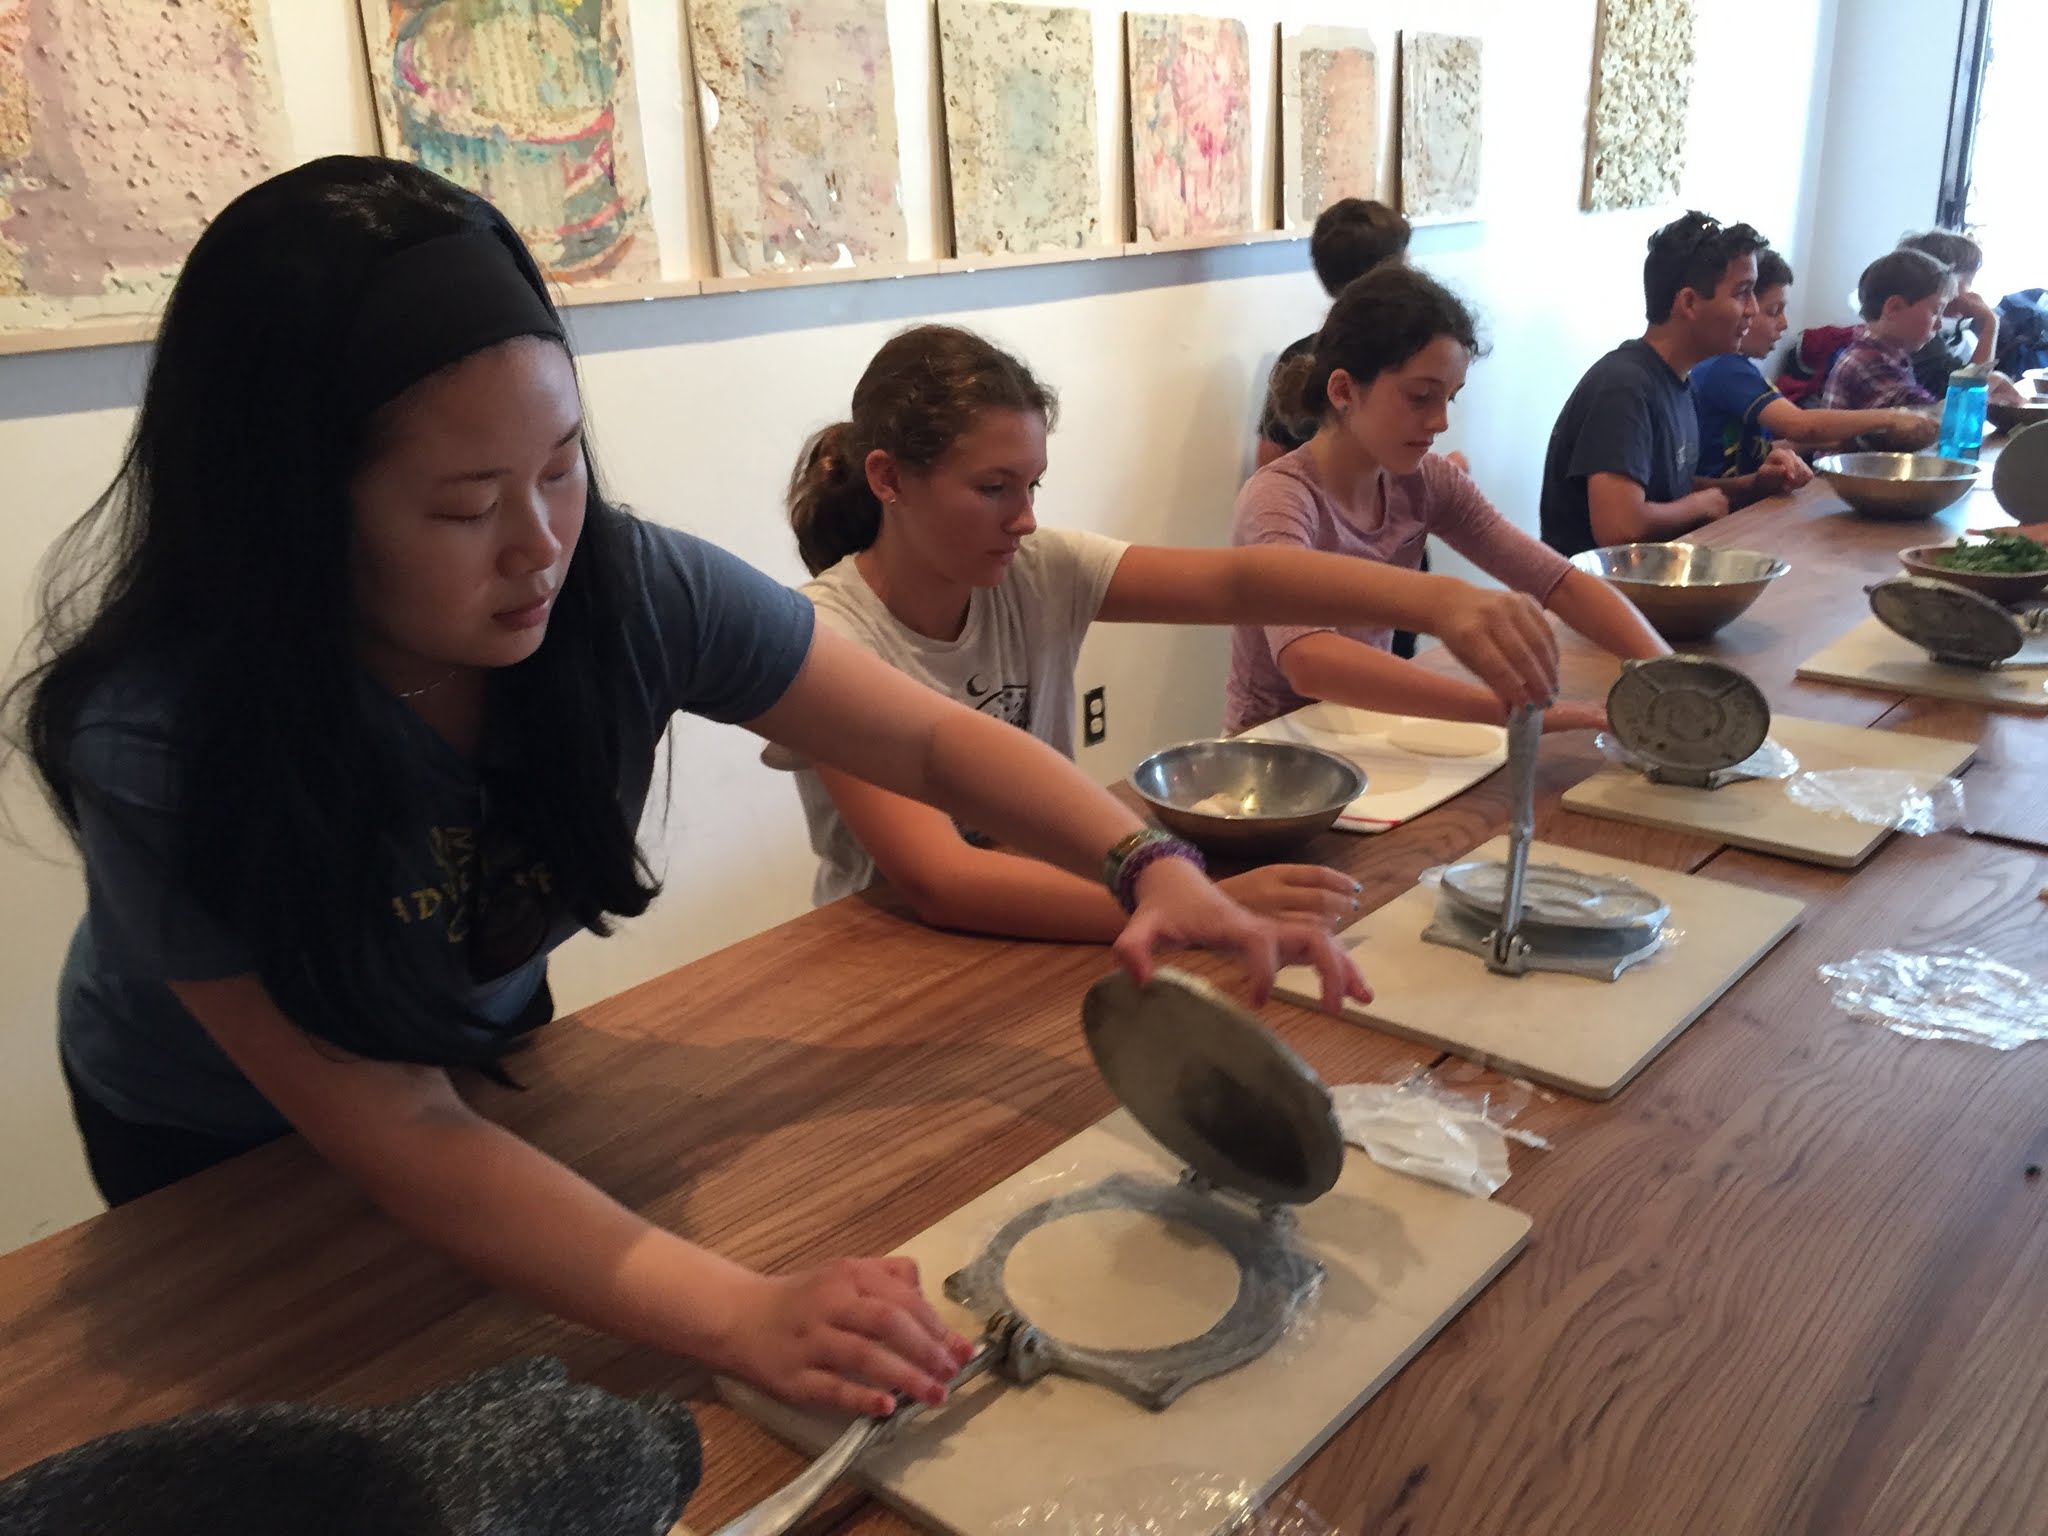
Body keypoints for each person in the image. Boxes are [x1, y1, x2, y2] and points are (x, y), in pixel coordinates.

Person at [0, 157, 1373, 1423]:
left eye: (560, 465)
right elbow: (395, 1125)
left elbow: (935, 743)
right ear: (289, 514)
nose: (542, 544)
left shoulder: (618, 582)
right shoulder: (166, 739)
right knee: (338, 1412)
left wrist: (1148, 867)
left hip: (463, 1049)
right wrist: (744, 1312)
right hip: (208, 1151)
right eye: (466, 506)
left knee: (516, 1365)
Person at [778, 324, 1561, 925]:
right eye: (992, 488)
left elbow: (1236, 581)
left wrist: (1435, 601)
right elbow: (941, 879)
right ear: (887, 478)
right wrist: (1195, 902)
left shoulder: (1038, 571)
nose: (1023, 519)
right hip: (893, 956)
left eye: (1032, 484)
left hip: (1056, 904)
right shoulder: (828, 639)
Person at [1230, 264, 1667, 737]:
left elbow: (1557, 581)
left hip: (1370, 733)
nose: (1440, 422)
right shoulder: (1280, 499)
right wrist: (1511, 711)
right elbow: (1309, 659)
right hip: (1274, 753)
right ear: (1343, 391)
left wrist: (1667, 670)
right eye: (1421, 398)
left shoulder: (1427, 481)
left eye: (1450, 399)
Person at [1540, 211, 1810, 559]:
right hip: (1596, 601)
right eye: (1743, 293)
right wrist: (1700, 505)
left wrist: (1753, 485)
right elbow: (1619, 527)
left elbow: (1668, 493)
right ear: (1689, 303)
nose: (1753, 310)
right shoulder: (1624, 388)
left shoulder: (1679, 381)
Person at [1254, 199, 1439, 659]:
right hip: (1331, 567)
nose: (1438, 419)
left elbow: (1267, 454)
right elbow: (1271, 465)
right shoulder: (1354, 366)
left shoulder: (1300, 355)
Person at [1691, 248, 1937, 475]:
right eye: (1774, 311)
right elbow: (1801, 425)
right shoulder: (1725, 369)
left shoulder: (1739, 370)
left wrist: (1815, 444)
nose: (1785, 324)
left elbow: (1765, 447)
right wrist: (1891, 418)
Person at [1256, 199, 1413, 468]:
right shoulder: (1404, 354)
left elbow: (1268, 460)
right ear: (1386, 276)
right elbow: (1270, 466)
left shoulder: (1297, 354)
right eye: (1405, 261)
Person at [1818, 248, 1957, 413]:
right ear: (1894, 307)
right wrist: (1972, 392)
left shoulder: (1889, 355)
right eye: (1935, 312)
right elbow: (1922, 416)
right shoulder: (1869, 363)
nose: (1939, 324)